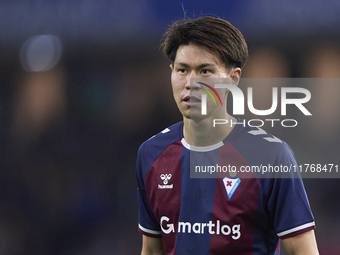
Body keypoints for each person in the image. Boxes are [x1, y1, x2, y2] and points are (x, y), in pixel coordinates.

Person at [136, 16, 319, 255]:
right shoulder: (151, 154)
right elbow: (151, 250)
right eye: (182, 70)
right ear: (171, 72)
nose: (191, 83)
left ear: (233, 78)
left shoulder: (270, 156)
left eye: (205, 70)